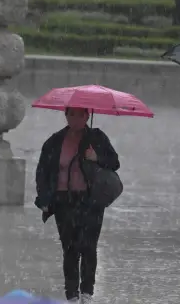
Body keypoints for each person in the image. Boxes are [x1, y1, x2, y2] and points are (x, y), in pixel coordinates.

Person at [35, 107, 120, 303]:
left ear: (87, 116)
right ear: (66, 115)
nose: (75, 118)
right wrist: (45, 200)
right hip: (64, 202)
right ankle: (72, 293)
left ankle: (87, 291)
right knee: (70, 249)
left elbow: (114, 162)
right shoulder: (54, 142)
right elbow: (43, 173)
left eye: (80, 114)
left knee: (89, 247)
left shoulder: (96, 138)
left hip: (91, 201)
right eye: (71, 114)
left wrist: (96, 157)